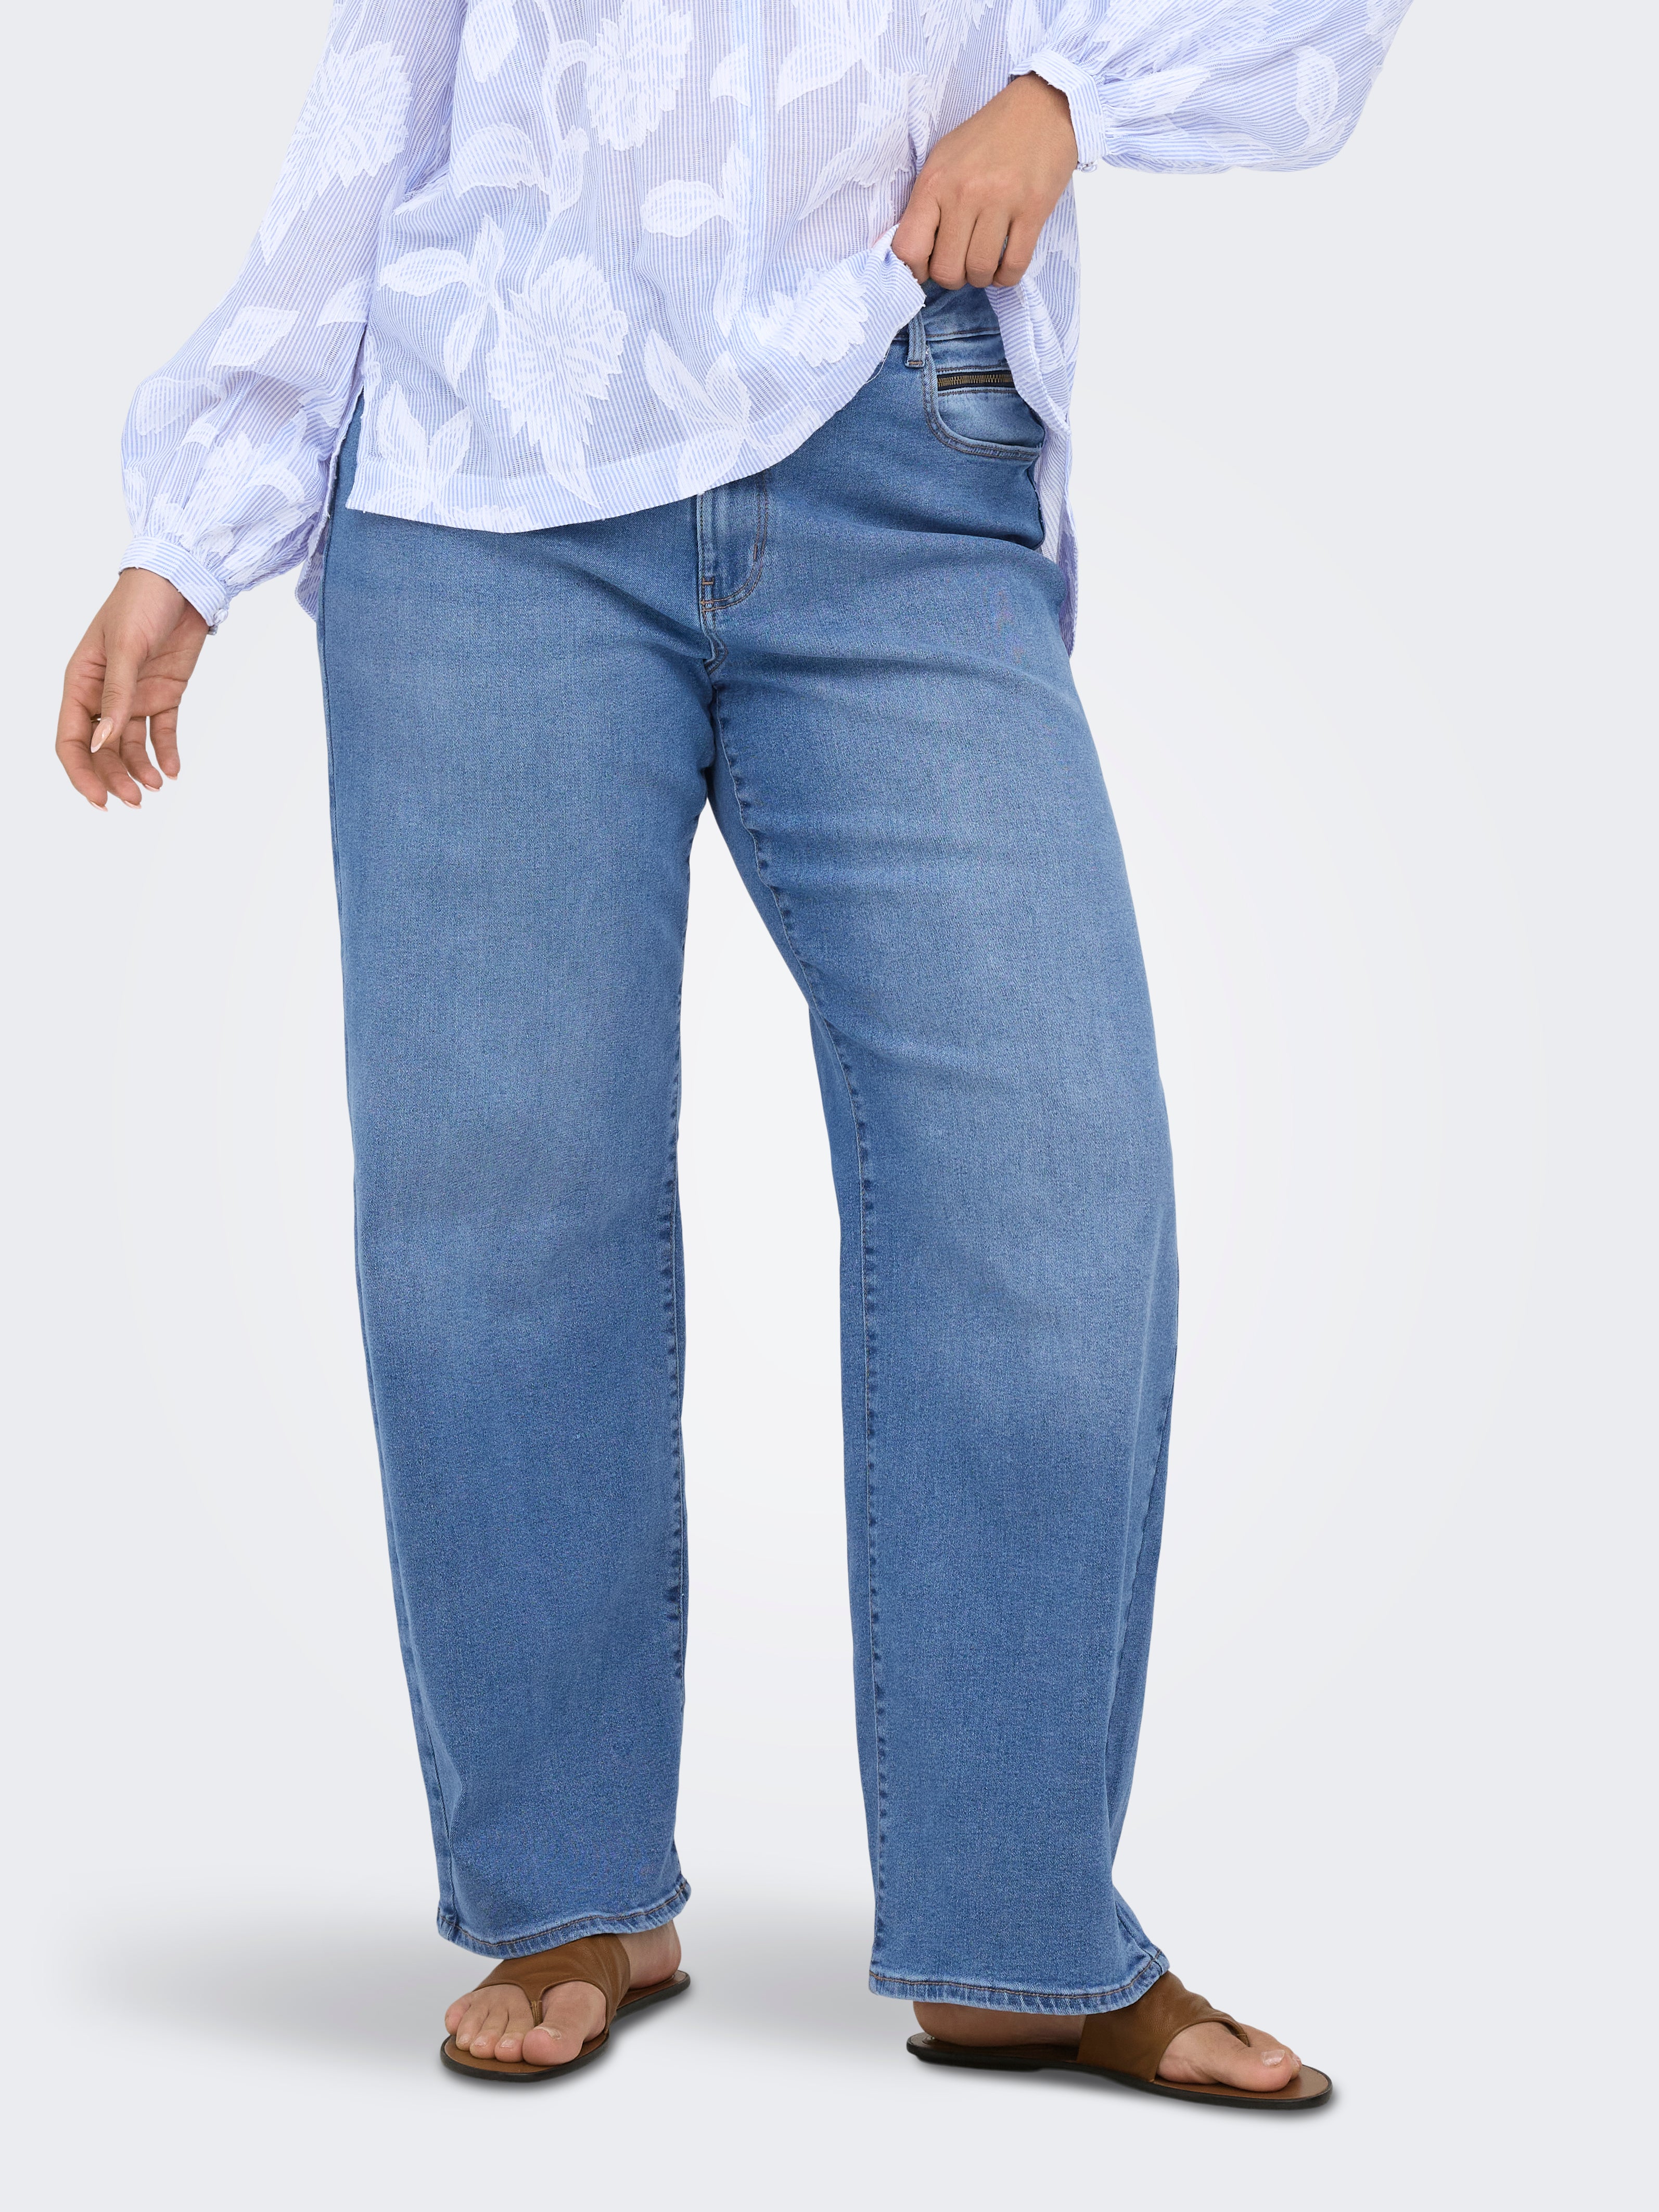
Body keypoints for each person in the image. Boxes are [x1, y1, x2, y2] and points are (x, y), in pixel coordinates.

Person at [55, 0, 1408, 2104]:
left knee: (1052, 1171)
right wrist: (195, 523)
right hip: (488, 450)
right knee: (499, 1203)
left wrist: (1063, 92)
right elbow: (388, 78)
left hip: (897, 438)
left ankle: (1017, 1925)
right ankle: (566, 1889)